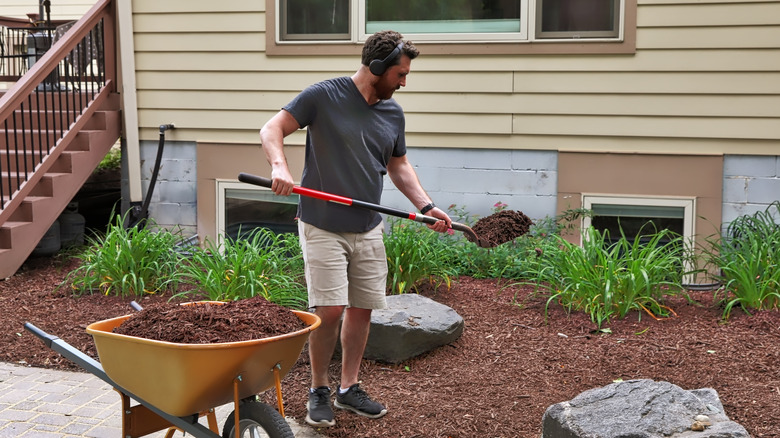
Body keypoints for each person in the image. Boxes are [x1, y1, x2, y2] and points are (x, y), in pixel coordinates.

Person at [258, 30, 452, 427]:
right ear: (377, 67)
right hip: (323, 223)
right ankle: (318, 389)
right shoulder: (323, 96)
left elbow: (398, 165)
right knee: (329, 311)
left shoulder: (392, 112)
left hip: (367, 226)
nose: (403, 82)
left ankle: (349, 389)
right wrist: (280, 166)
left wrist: (427, 206)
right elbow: (271, 129)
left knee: (362, 310)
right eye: (400, 73)